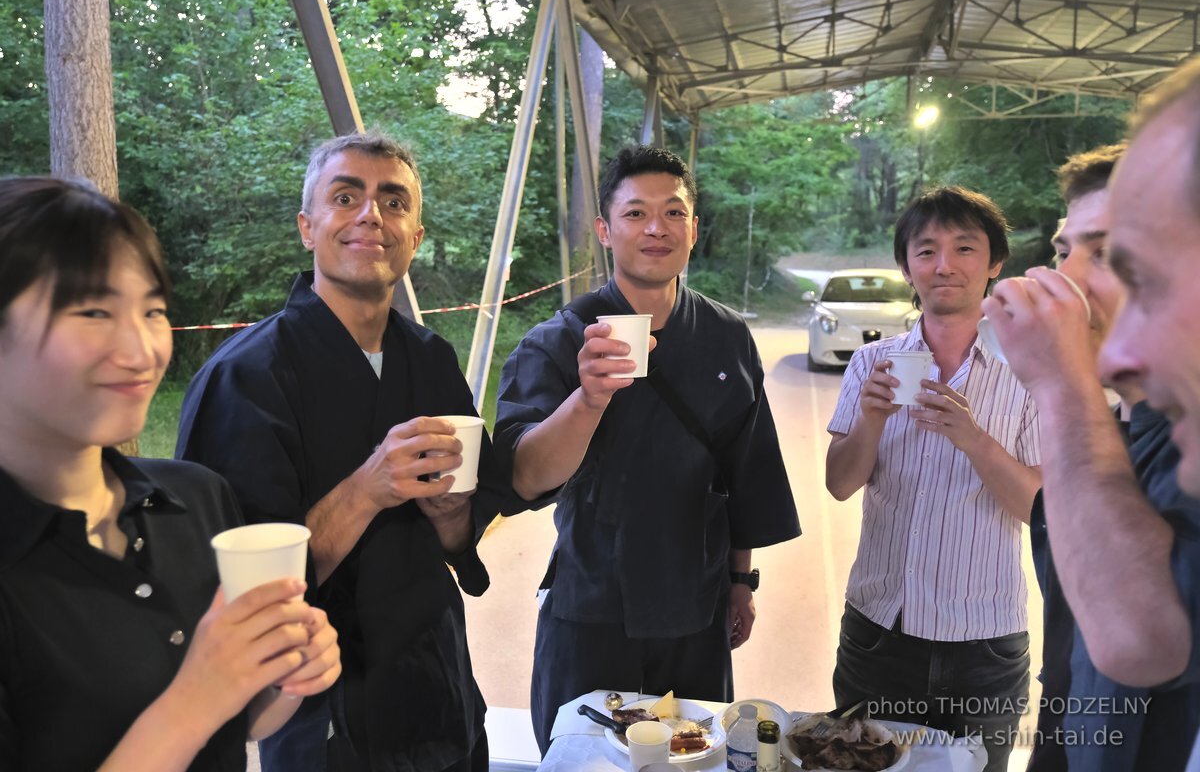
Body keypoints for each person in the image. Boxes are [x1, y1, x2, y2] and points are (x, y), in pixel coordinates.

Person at [176, 131, 507, 772]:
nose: (370, 216)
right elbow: (241, 591)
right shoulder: (246, 377)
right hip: (327, 719)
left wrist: (450, 518)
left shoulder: (431, 358)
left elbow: (462, 531)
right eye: (345, 196)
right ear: (308, 226)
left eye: (393, 201)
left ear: (414, 235)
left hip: (444, 698)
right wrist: (367, 488)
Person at [0, 176, 341, 770]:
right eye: (93, 310)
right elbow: (202, 706)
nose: (141, 350)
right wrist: (197, 697)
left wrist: (283, 676)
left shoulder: (194, 496)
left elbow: (240, 722)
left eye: (153, 310)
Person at [494, 145, 800, 753]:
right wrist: (586, 398)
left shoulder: (726, 337)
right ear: (606, 230)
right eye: (635, 214)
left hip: (697, 603)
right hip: (592, 604)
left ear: (692, 228)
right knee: (586, 759)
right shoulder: (557, 341)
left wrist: (743, 580)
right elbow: (524, 477)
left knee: (695, 758)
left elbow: (743, 471)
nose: (656, 228)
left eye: (674, 213)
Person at [986, 56, 1200, 768]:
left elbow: (1142, 641)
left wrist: (1061, 383)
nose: (1061, 278)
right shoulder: (1131, 426)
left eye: (1109, 256)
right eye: (1060, 250)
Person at [824, 186, 1041, 772]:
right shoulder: (873, 363)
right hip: (878, 635)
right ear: (906, 267)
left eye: (965, 248)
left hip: (985, 645)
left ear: (994, 263)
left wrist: (973, 439)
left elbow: (1038, 509)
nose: (944, 266)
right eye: (926, 251)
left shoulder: (1027, 372)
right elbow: (840, 484)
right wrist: (869, 421)